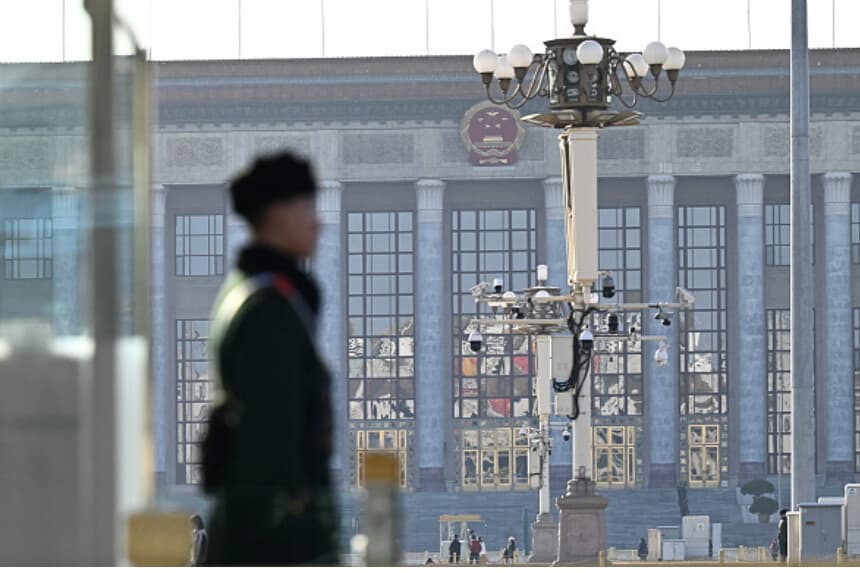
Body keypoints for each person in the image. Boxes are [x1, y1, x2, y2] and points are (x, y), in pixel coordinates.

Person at [202, 152, 338, 565]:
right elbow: (273, 439)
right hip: (273, 536)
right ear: (278, 214)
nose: (318, 222)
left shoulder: (248, 290)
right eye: (308, 208)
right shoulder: (268, 307)